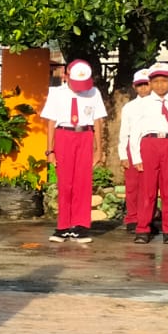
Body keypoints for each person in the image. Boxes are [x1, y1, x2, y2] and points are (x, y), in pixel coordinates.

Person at [40, 60, 107, 243]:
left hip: (85, 135)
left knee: (83, 183)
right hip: (64, 136)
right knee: (65, 183)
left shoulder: (93, 92)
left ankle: (81, 226)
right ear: (65, 75)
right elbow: (51, 122)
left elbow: (98, 121)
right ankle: (63, 227)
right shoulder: (56, 93)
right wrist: (50, 150)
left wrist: (98, 150)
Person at [128, 63, 168, 245]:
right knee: (147, 189)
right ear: (150, 83)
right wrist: (136, 156)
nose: (160, 85)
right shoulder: (143, 104)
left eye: (164, 81)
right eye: (156, 81)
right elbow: (135, 131)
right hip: (149, 144)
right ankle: (143, 228)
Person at [116, 68, 151, 235]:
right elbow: (124, 131)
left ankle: (147, 219)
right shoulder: (130, 107)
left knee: (149, 186)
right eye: (140, 85)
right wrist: (123, 154)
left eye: (146, 84)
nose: (143, 88)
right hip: (132, 146)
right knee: (132, 186)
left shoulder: (159, 105)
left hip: (151, 146)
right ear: (134, 87)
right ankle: (132, 218)